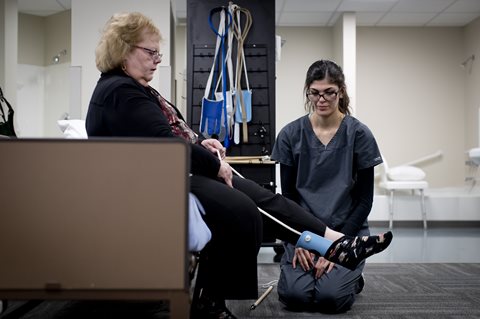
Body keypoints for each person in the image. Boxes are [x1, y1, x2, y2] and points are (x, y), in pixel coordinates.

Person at [86, 13, 392, 319]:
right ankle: (332, 245)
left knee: (261, 204)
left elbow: (173, 135)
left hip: (172, 174)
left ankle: (335, 244)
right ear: (124, 49)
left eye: (158, 53)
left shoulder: (131, 89)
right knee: (245, 208)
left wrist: (203, 143)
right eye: (150, 52)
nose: (156, 60)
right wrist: (213, 163)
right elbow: (168, 143)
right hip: (162, 180)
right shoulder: (121, 92)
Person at [270, 59, 385, 314]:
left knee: (330, 299)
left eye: (329, 92)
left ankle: (353, 277)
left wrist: (336, 248)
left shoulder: (359, 134)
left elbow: (364, 201)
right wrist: (299, 239)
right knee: (295, 297)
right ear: (308, 92)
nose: (322, 99)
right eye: (315, 93)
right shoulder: (290, 135)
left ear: (340, 91)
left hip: (345, 232)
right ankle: (312, 274)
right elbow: (287, 197)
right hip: (303, 231)